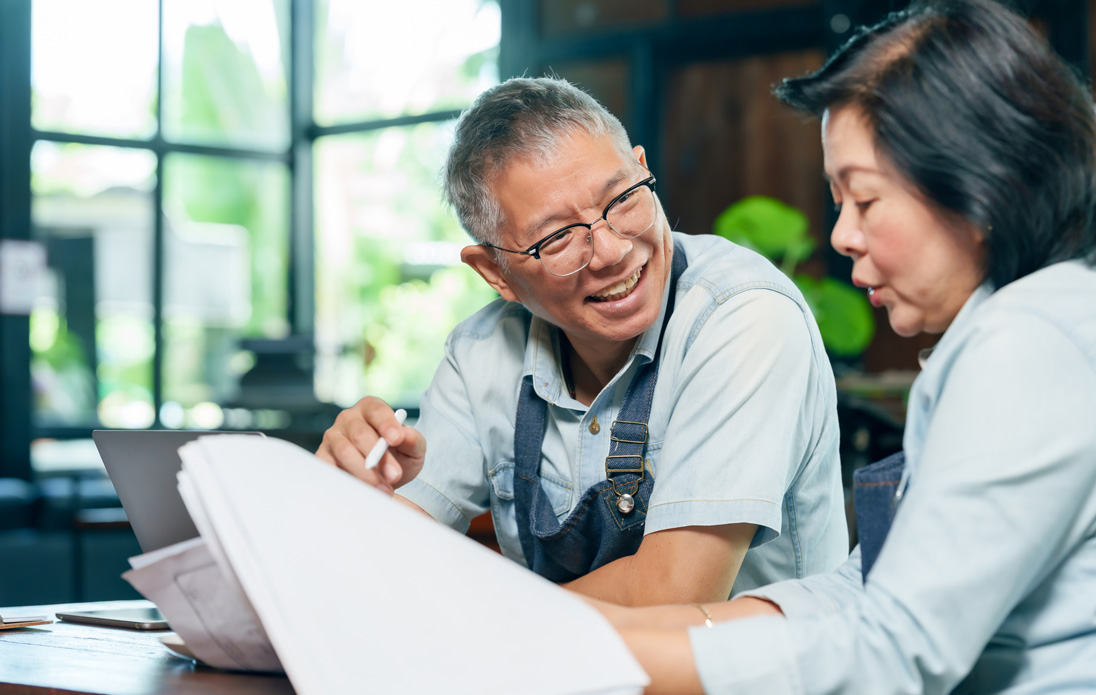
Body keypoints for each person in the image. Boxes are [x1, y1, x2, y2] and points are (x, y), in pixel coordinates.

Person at [591, 1, 1096, 695]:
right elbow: (869, 586)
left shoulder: (1033, 346)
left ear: (985, 185)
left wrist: (585, 649)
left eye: (865, 199)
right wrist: (603, 628)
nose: (843, 235)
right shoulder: (1035, 322)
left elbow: (889, 654)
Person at [315, 77, 849, 605]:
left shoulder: (743, 315)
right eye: (558, 237)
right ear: (496, 274)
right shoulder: (481, 354)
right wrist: (360, 491)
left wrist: (480, 617)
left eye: (622, 199)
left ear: (642, 167)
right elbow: (378, 553)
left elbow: (676, 594)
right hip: (564, 681)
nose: (613, 251)